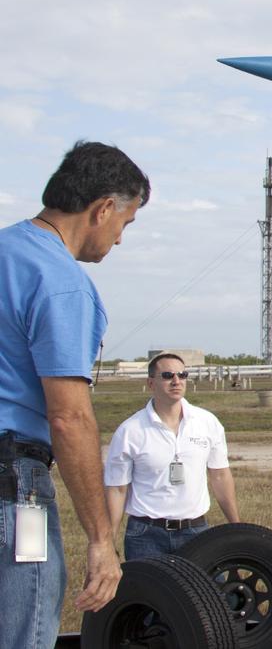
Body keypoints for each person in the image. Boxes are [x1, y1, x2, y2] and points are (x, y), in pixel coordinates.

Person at [0, 141, 148, 647]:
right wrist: (102, 540)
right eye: (125, 224)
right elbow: (69, 418)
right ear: (103, 208)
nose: (119, 239)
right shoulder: (60, 281)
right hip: (15, 487)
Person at [104, 352, 240, 560]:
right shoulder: (130, 430)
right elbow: (117, 489)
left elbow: (220, 476)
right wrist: (108, 543)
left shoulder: (207, 423)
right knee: (148, 593)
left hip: (196, 531)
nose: (176, 381)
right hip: (145, 535)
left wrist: (236, 527)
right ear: (151, 383)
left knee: (209, 592)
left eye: (182, 375)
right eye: (167, 375)